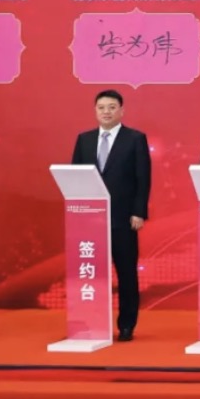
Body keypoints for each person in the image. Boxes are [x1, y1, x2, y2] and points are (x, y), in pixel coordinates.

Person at [71, 89, 151, 342]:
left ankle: (126, 324)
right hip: (90, 220)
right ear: (95, 110)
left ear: (121, 110)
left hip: (123, 219)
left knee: (126, 274)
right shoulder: (84, 140)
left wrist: (139, 212)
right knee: (92, 274)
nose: (106, 112)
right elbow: (75, 177)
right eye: (101, 107)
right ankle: (93, 321)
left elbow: (143, 178)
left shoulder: (135, 139)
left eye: (112, 107)